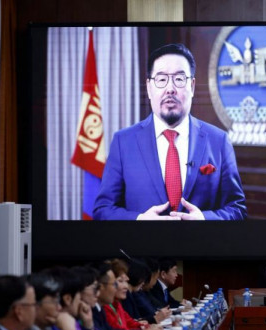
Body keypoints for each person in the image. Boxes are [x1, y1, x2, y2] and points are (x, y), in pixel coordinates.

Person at [92, 43, 246, 221]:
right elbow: (102, 210)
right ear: (149, 88)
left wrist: (205, 219)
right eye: (161, 79)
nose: (170, 88)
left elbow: (237, 210)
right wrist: (140, 219)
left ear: (192, 86)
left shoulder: (219, 141)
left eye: (179, 79)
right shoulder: (123, 142)